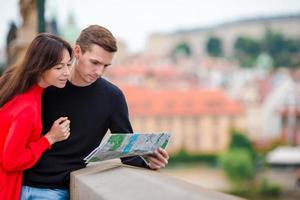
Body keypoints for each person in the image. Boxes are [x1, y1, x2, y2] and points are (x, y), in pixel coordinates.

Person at [23, 25, 169, 199]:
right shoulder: (48, 84)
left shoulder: (112, 97)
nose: (99, 71)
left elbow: (126, 150)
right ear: (77, 51)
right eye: (95, 62)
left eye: (105, 66)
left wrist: (149, 161)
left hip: (55, 191)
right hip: (16, 182)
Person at [0, 33, 73, 200]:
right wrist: (49, 139)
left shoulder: (16, 85)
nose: (67, 73)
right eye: (59, 67)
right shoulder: (27, 109)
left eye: (68, 65)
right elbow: (11, 161)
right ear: (41, 66)